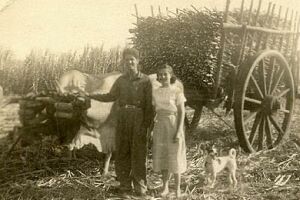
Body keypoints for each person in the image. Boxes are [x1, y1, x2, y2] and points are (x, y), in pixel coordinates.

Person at [88, 48, 153, 197]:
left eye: (132, 59)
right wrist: (92, 95)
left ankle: (140, 187)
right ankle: (124, 187)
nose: (129, 62)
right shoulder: (121, 80)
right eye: (126, 59)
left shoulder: (145, 80)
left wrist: (147, 125)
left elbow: (149, 105)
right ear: (123, 62)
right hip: (123, 116)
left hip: (139, 116)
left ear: (137, 61)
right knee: (123, 151)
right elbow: (110, 96)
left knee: (139, 153)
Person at [152, 64, 187, 198]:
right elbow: (153, 110)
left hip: (173, 123)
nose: (162, 77)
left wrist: (178, 131)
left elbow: (182, 111)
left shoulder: (176, 90)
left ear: (170, 75)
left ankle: (177, 189)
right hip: (160, 124)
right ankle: (165, 187)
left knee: (175, 155)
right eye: (160, 74)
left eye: (165, 74)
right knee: (163, 155)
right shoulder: (155, 91)